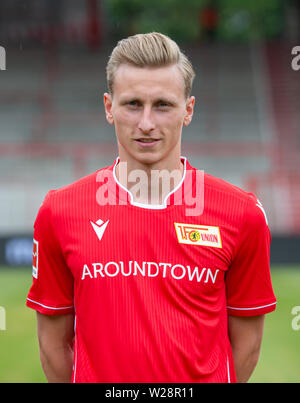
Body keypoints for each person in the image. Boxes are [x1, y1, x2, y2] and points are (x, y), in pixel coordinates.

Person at [26, 32, 276, 383]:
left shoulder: (242, 213)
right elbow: (53, 345)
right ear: (108, 107)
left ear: (187, 110)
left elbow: (246, 346)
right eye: (132, 104)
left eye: (162, 105)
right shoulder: (60, 211)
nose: (146, 123)